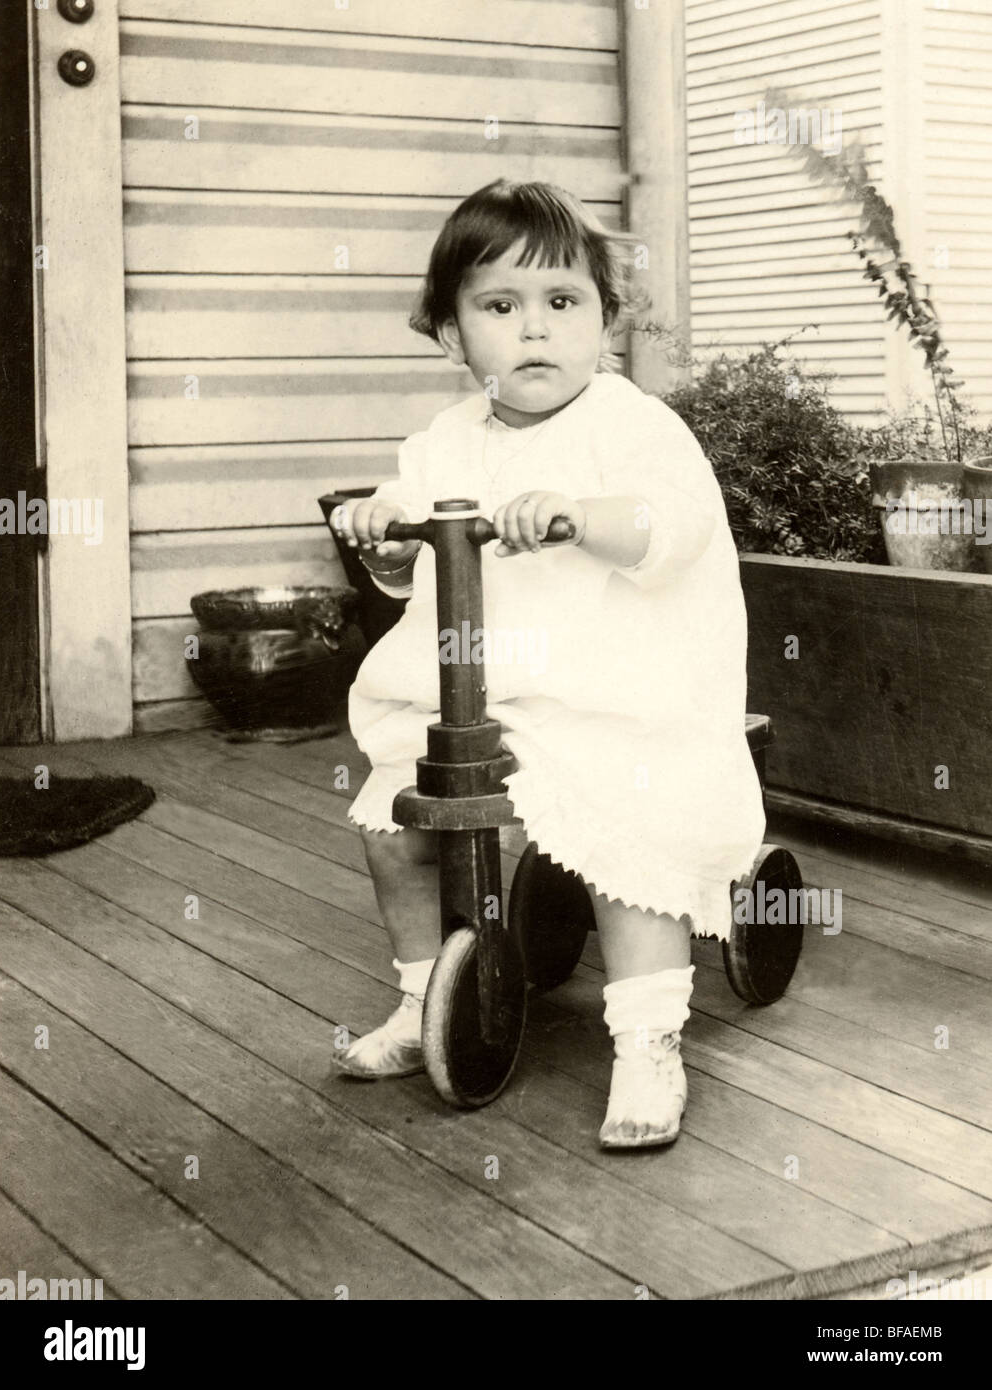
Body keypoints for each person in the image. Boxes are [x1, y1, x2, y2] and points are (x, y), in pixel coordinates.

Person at [329, 179, 765, 1148]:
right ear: (452, 338)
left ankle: (648, 1037)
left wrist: (578, 514)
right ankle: (420, 998)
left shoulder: (627, 426)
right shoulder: (445, 439)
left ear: (604, 321)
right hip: (484, 700)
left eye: (561, 304)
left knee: (630, 832)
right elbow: (410, 536)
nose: (535, 332)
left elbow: (672, 526)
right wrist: (383, 534)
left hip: (617, 691)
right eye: (498, 307)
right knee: (395, 824)